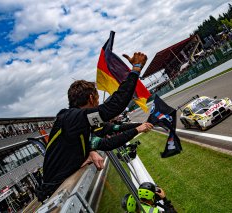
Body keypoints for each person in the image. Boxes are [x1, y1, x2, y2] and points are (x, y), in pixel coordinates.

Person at [38, 52, 153, 202]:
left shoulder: (76, 122)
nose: (98, 104)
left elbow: (106, 137)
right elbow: (113, 107)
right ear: (91, 98)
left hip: (58, 192)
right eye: (97, 100)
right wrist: (136, 69)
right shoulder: (72, 118)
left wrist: (89, 151)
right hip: (54, 196)